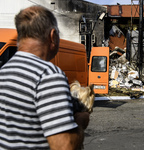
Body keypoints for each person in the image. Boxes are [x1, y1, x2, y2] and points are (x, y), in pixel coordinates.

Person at [0, 5, 89, 150]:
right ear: (52, 36)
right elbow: (64, 146)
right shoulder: (47, 74)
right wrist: (80, 121)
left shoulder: (4, 71)